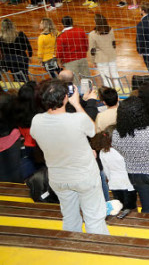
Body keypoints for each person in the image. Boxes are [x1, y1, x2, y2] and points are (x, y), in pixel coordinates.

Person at [31, 81, 110, 234]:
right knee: (94, 218)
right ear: (66, 97)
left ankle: (72, 249)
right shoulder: (77, 119)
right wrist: (77, 104)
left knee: (69, 217)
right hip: (84, 177)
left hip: (58, 178)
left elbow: (59, 141)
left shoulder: (36, 121)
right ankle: (98, 252)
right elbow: (92, 130)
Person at [112, 96, 149, 215]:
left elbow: (120, 150)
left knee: (146, 207)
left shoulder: (116, 134)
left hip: (135, 174)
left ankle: (148, 230)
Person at [90, 127, 136, 212]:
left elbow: (106, 170)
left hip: (114, 183)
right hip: (128, 183)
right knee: (131, 208)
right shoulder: (123, 150)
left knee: (119, 207)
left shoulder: (103, 152)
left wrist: (110, 180)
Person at [88, 13, 119, 88]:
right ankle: (119, 90)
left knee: (105, 77)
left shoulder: (92, 34)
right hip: (111, 56)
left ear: (96, 22)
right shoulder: (111, 30)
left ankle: (109, 92)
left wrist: (92, 61)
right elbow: (113, 43)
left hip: (101, 59)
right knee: (115, 75)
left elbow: (92, 49)